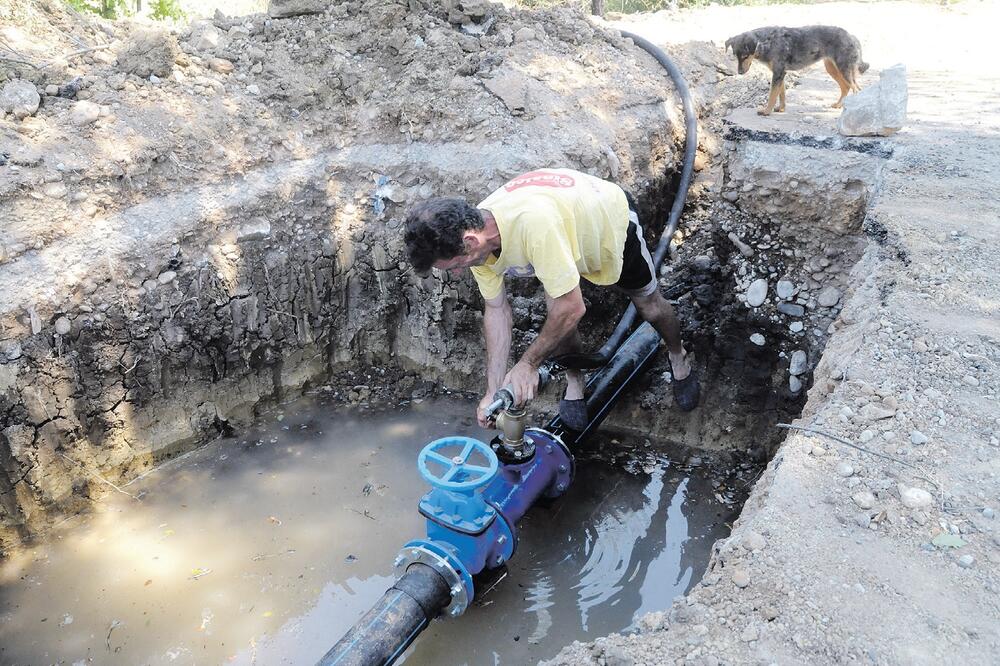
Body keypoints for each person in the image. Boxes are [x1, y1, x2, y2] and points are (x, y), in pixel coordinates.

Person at [403, 168, 699, 430]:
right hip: (559, 239)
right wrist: (493, 391)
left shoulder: (534, 225)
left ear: (470, 242)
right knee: (557, 318)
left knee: (649, 305)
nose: (456, 275)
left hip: (608, 225)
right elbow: (496, 309)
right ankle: (575, 380)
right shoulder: (476, 242)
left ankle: (677, 354)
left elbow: (572, 307)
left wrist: (527, 364)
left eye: (454, 266)